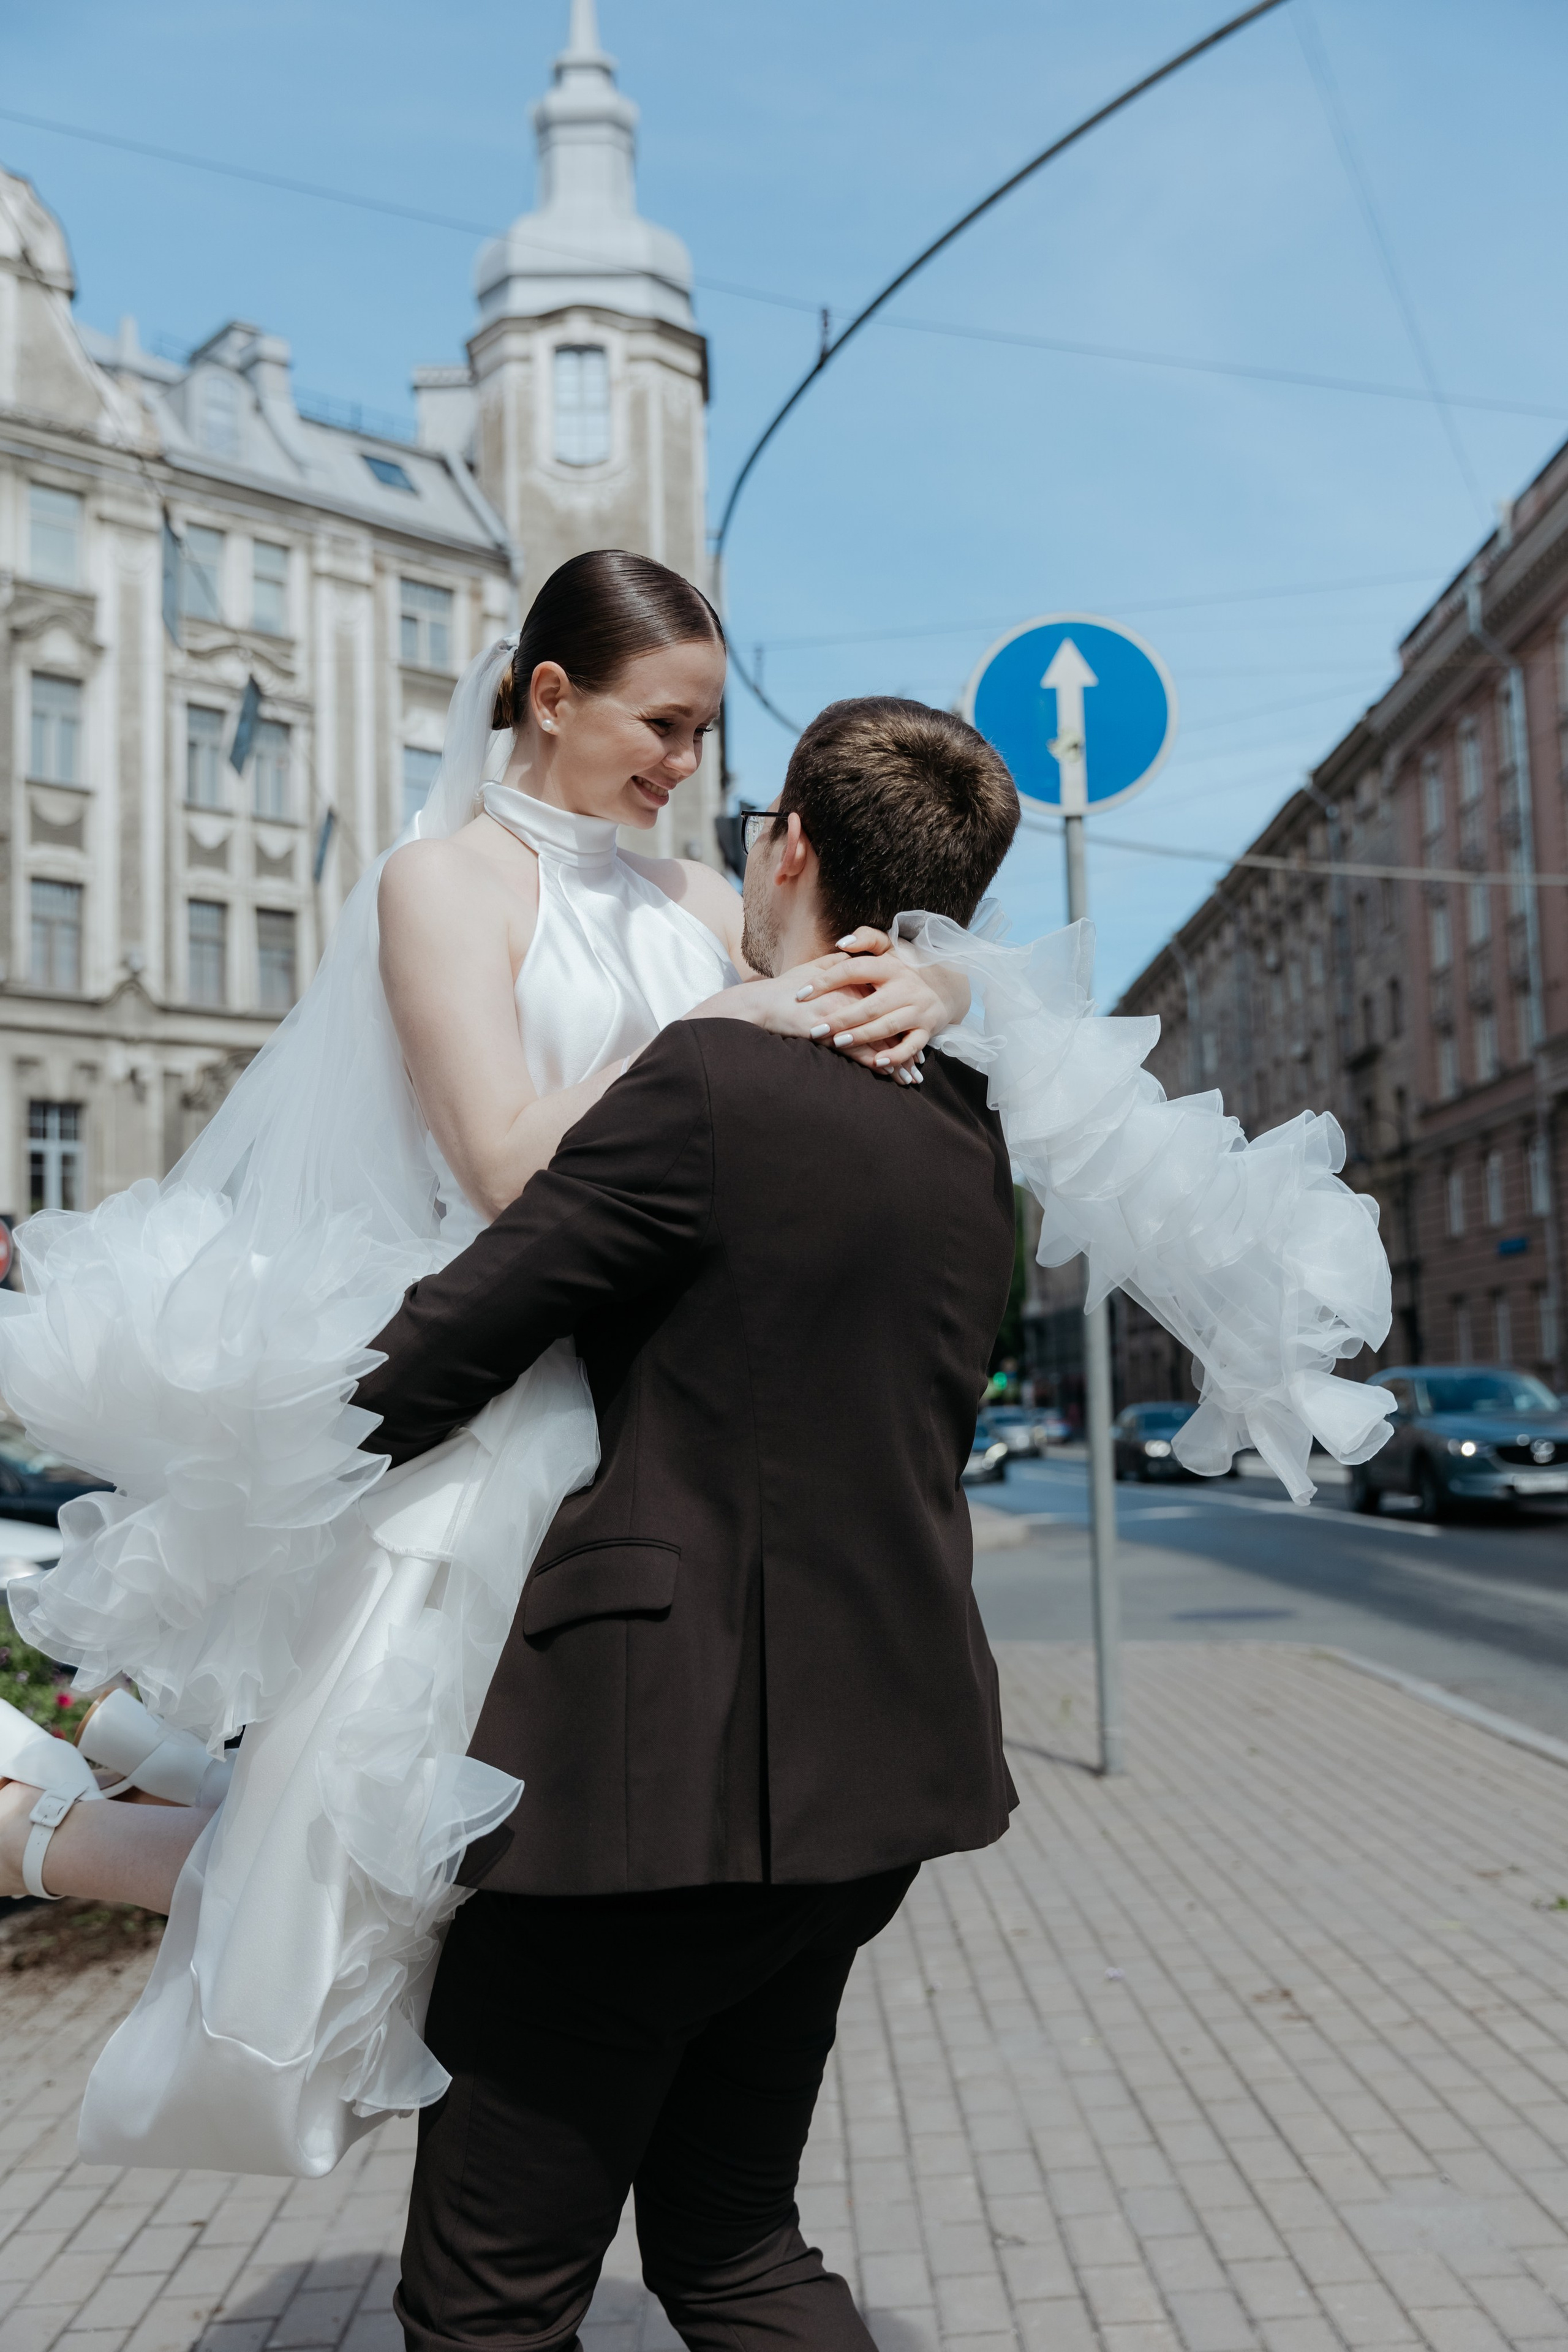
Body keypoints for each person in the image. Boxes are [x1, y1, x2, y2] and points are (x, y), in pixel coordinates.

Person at [348, 692, 1396, 2351]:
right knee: (734, 2248)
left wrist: (222, 1424)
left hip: (643, 1798)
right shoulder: (966, 1141)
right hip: (866, 1786)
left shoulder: (711, 1082)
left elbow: (430, 1358)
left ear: (788, 850)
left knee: (487, 2301)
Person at [0, 554, 964, 2179]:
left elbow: (823, 995)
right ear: (549, 698)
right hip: (510, 1398)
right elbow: (511, 1162)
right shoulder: (439, 884)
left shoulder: (680, 900)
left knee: (473, 1858)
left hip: (665, 1406)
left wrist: (933, 977)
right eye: (664, 726)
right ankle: (62, 1829)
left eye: (707, 736)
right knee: (408, 1861)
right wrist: (731, 1036)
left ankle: (89, 1800)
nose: (684, 769)